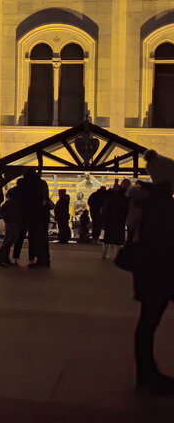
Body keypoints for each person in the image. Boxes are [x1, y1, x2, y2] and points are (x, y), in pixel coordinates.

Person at [125, 152, 174, 393]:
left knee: (148, 321)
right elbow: (162, 239)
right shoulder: (159, 204)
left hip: (152, 271)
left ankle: (147, 372)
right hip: (159, 271)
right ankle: (147, 373)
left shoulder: (148, 201)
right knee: (148, 322)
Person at [16, 168, 51, 267]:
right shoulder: (42, 183)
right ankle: (43, 259)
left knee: (35, 237)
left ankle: (40, 259)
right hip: (43, 214)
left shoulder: (28, 184)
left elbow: (24, 199)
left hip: (32, 214)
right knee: (42, 238)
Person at [101, 179, 131, 260]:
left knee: (108, 236)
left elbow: (106, 205)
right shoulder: (127, 195)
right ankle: (117, 255)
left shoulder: (112, 194)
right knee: (119, 237)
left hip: (110, 217)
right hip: (120, 217)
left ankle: (105, 253)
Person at [0, 184, 22, 267]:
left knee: (9, 240)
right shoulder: (13, 202)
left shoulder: (9, 202)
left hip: (10, 222)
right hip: (13, 222)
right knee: (10, 240)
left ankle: (4, 258)